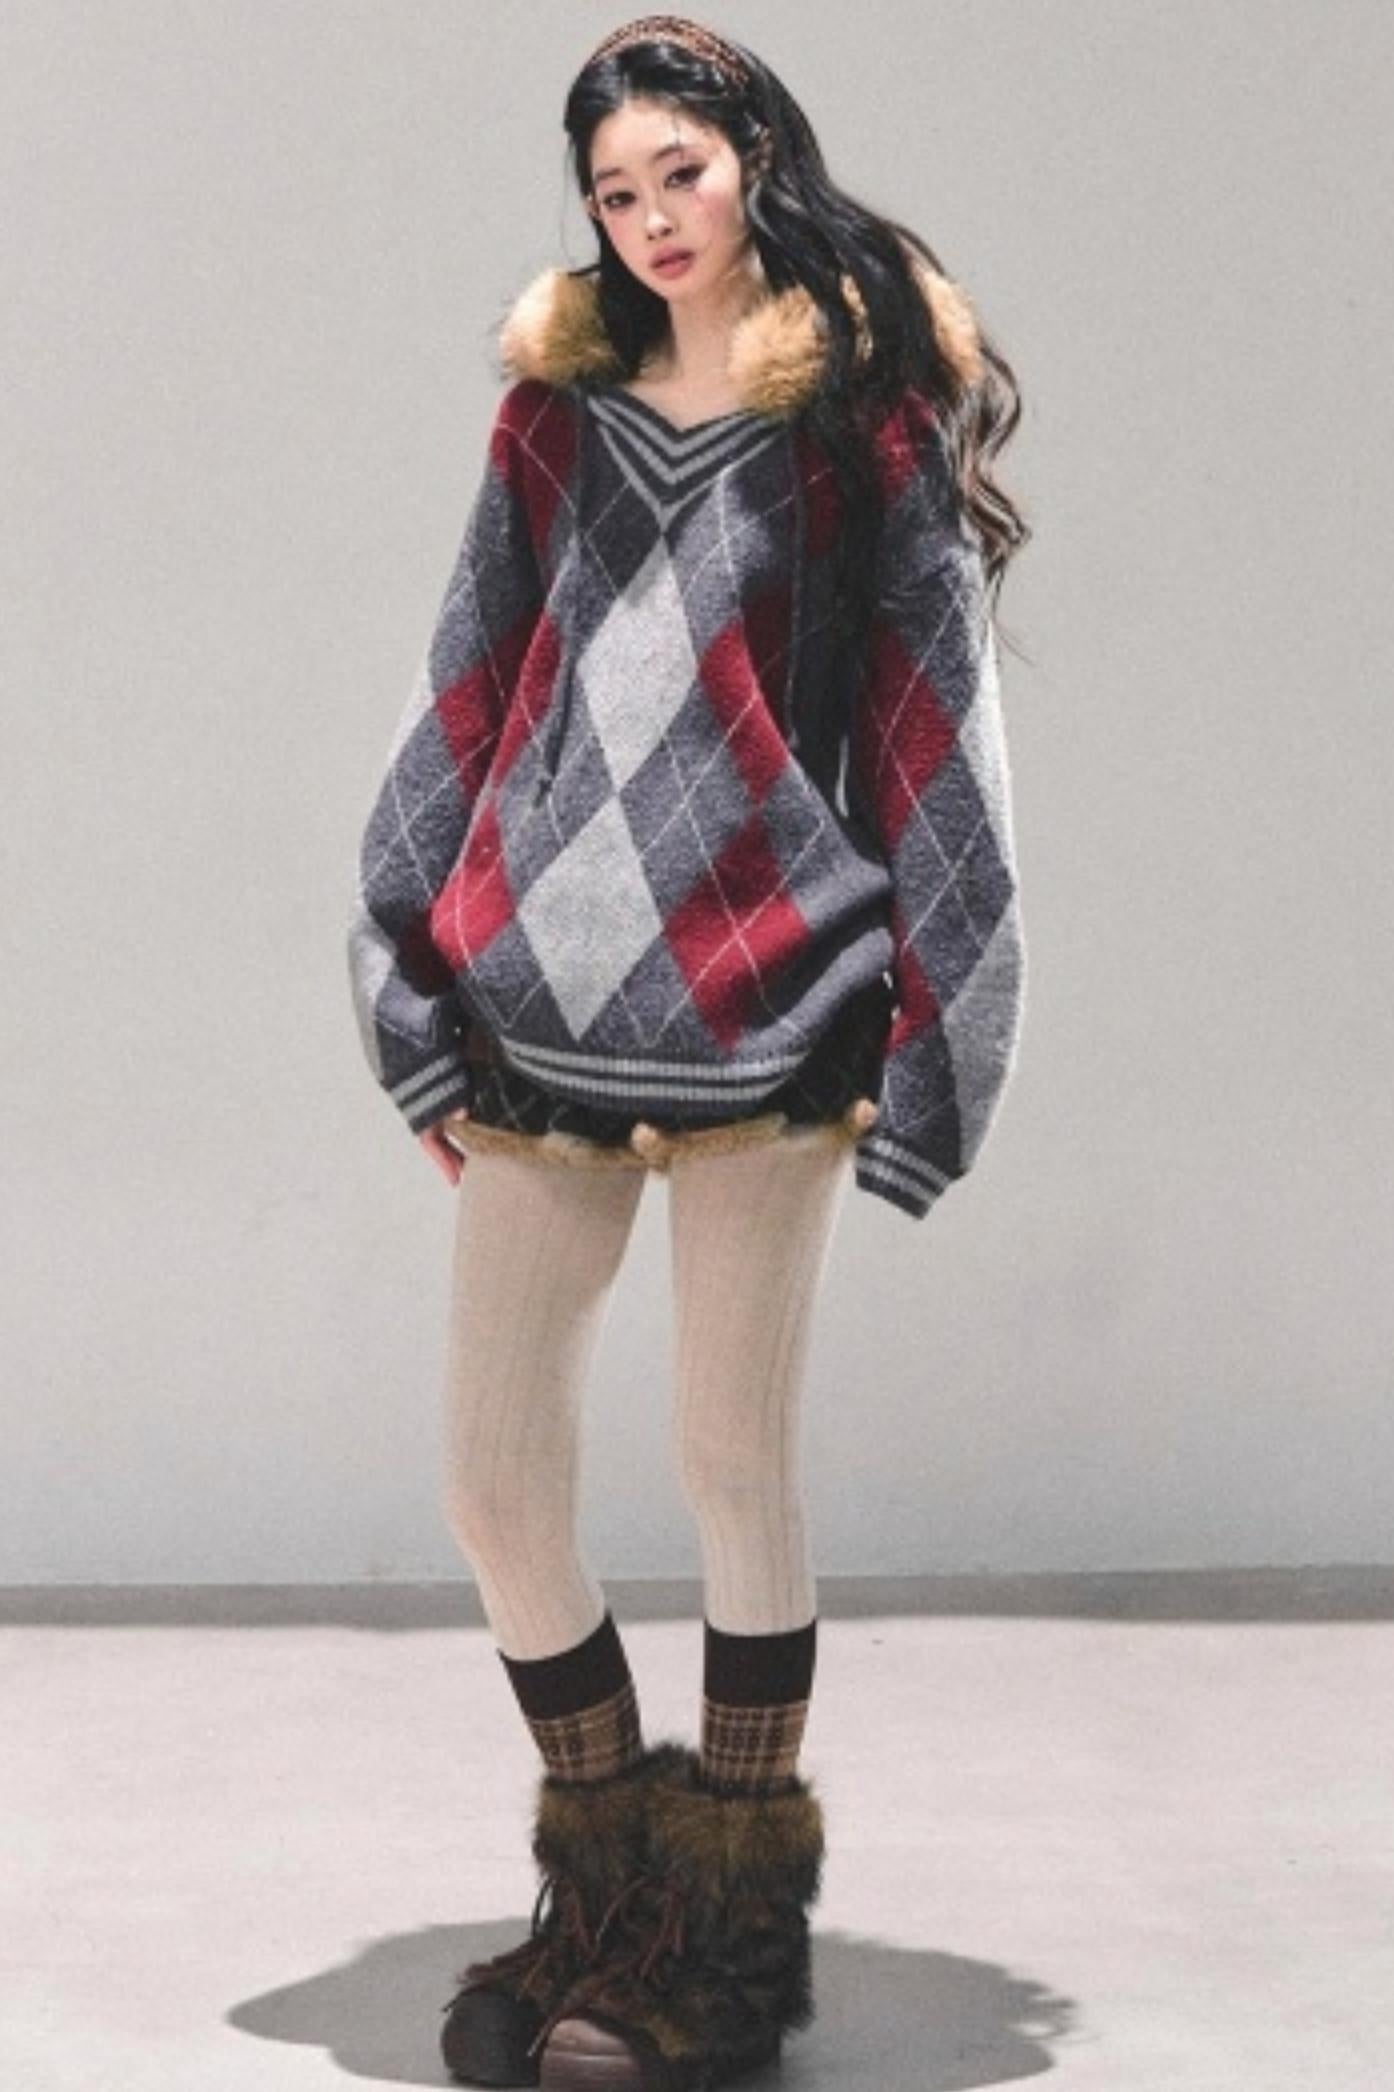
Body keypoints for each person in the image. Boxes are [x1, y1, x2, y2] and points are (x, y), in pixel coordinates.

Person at [346, 15, 1030, 2089]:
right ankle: (610, 1895)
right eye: (614, 191)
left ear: (756, 165)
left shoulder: (858, 432)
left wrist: (948, 1035)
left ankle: (722, 1942)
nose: (651, 218)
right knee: (493, 1482)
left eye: (681, 173)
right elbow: (466, 689)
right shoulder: (552, 423)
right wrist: (398, 961)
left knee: (732, 1460)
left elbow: (935, 731)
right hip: (537, 1012)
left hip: (773, 1004)